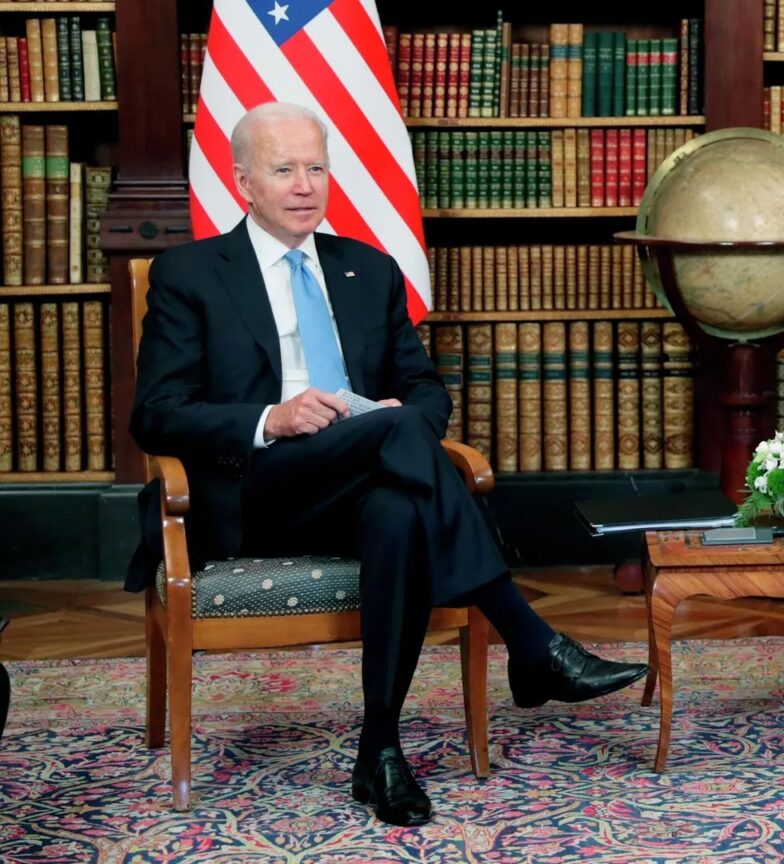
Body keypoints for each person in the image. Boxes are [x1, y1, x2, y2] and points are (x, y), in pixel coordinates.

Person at [126, 102, 648, 827]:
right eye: (284, 170)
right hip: (254, 492)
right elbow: (155, 414)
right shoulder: (191, 274)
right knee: (397, 438)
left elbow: (427, 391)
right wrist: (272, 418)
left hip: (362, 485)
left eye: (317, 167)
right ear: (244, 182)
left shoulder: (367, 270)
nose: (305, 185)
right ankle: (530, 641)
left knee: (399, 507)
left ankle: (380, 749)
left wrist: (393, 423)